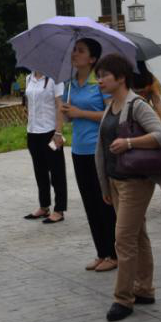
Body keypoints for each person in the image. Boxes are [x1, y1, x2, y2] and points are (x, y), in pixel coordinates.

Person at [95, 53, 161, 322]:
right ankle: (144, 289)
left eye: (104, 75)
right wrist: (105, 184)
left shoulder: (136, 104)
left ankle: (123, 299)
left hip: (135, 182)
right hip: (115, 181)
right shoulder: (111, 106)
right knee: (137, 236)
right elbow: (102, 148)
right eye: (98, 76)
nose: (99, 80)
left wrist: (129, 143)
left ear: (121, 77)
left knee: (123, 239)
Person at [60, 39, 117, 272]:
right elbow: (69, 118)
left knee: (105, 202)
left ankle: (114, 253)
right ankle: (101, 252)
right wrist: (67, 114)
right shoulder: (70, 84)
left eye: (80, 51)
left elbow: (111, 114)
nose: (75, 54)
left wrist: (80, 112)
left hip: (99, 150)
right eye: (74, 49)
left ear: (92, 58)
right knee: (90, 203)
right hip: (78, 150)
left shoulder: (99, 83)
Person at [22, 71, 68, 223]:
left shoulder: (55, 79)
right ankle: (44, 206)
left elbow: (60, 106)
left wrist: (58, 132)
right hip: (33, 132)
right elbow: (28, 103)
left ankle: (59, 209)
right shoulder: (29, 78)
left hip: (50, 132)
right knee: (40, 171)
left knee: (57, 172)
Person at [133, 63, 161, 216]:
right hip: (151, 120)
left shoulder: (125, 78)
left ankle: (137, 202)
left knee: (136, 161)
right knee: (157, 162)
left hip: (134, 124)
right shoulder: (150, 78)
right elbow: (157, 101)